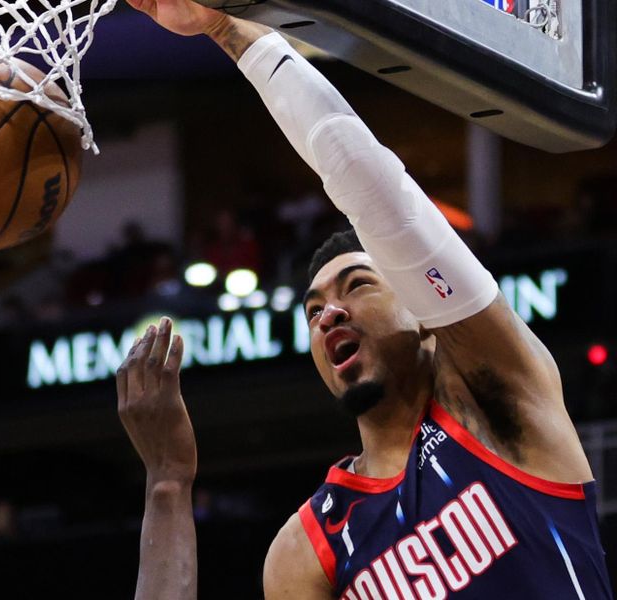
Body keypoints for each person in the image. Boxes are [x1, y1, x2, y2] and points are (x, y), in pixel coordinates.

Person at [115, 1, 614, 598]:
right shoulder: (306, 549)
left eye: (357, 284)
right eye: (313, 308)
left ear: (424, 314)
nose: (330, 312)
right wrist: (168, 485)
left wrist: (225, 26)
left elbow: (373, 188)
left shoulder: (500, 396)